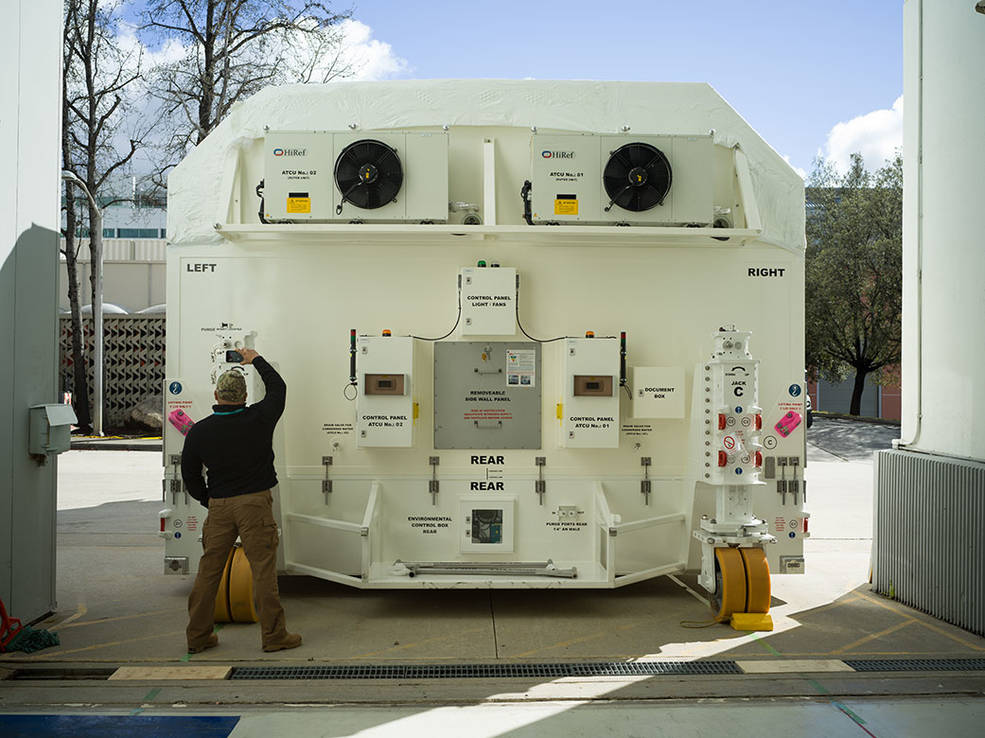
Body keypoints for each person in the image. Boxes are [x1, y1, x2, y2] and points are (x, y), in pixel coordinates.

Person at [181, 348, 301, 654]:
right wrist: (256, 359)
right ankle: (273, 636)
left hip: (220, 506)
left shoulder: (200, 431)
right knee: (263, 571)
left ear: (216, 395)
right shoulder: (259, 418)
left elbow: (190, 475)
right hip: (254, 504)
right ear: (245, 395)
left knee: (209, 572)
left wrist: (210, 500)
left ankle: (197, 637)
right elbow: (278, 388)